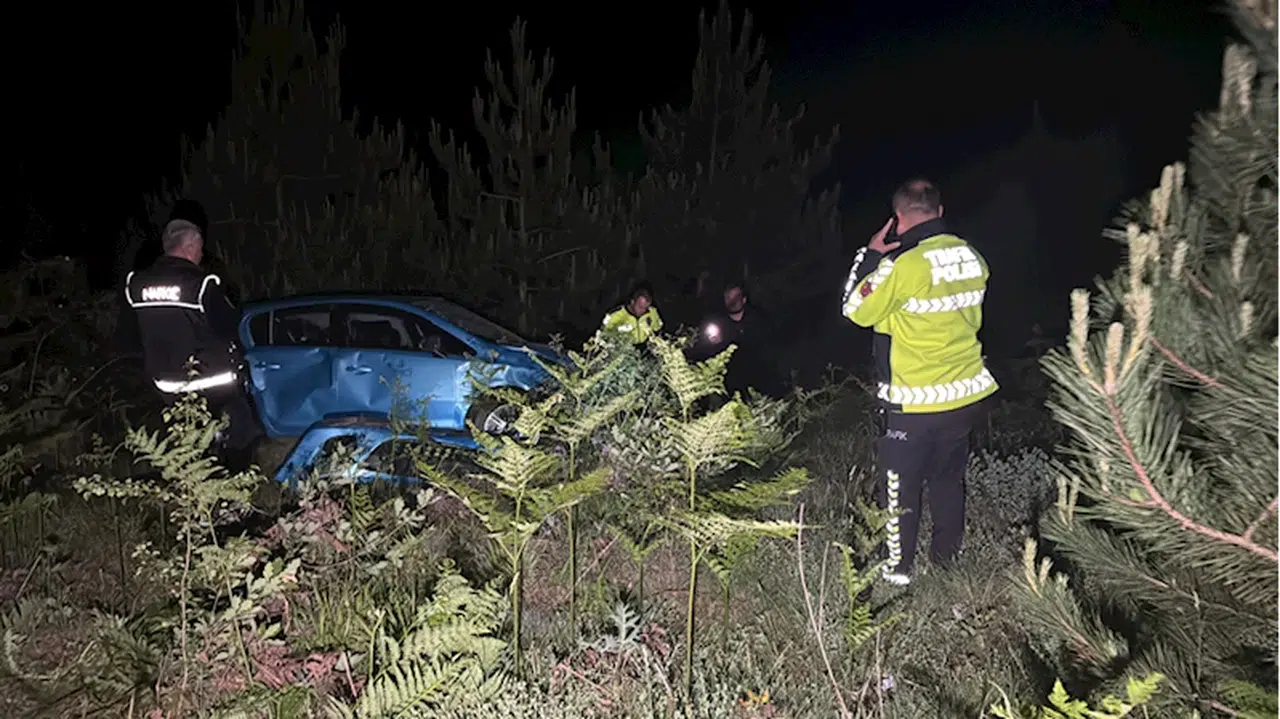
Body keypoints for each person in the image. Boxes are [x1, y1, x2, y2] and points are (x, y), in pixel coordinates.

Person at [840, 179, 998, 586]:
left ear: (897, 219)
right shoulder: (972, 257)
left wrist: (870, 257)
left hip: (913, 402)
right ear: (940, 211)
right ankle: (946, 561)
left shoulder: (903, 266)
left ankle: (897, 572)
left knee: (899, 487)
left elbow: (855, 308)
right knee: (948, 480)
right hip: (963, 395)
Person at [124, 218, 261, 471]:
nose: (200, 255)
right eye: (199, 249)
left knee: (190, 443)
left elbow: (133, 331)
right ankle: (232, 492)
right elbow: (228, 327)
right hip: (209, 380)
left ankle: (198, 494)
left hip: (164, 382)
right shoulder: (200, 285)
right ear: (189, 247)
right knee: (242, 433)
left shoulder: (137, 283)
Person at [691, 281, 783, 397]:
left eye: (735, 296)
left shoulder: (757, 319)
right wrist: (716, 344)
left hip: (758, 377)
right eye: (728, 297)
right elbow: (705, 354)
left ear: (743, 300)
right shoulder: (717, 324)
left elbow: (767, 346)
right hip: (731, 382)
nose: (732, 301)